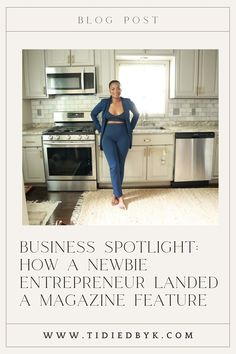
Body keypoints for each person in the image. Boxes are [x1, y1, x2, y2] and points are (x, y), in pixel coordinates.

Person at [91, 80, 139, 209]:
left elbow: (137, 114)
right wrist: (100, 129)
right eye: (113, 88)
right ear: (109, 90)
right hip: (108, 137)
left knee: (120, 166)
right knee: (113, 165)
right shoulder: (104, 103)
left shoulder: (127, 102)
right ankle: (121, 197)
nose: (116, 91)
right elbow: (93, 114)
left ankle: (114, 193)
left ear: (121, 89)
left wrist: (130, 128)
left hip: (123, 136)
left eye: (118, 88)